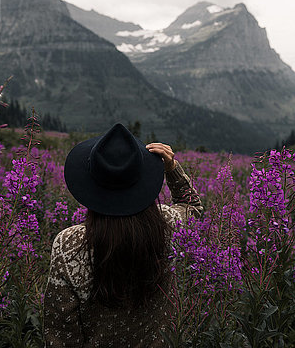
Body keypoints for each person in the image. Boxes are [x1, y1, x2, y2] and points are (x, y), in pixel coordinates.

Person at [43, 123, 203, 347]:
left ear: (90, 187)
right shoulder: (167, 225)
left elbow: (60, 334)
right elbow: (192, 206)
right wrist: (172, 168)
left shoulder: (68, 245)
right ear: (143, 181)